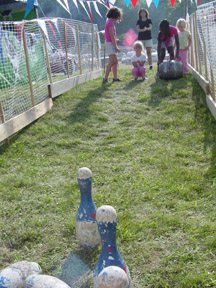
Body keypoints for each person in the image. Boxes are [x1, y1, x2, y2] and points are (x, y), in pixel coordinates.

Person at [103, 7, 123, 84]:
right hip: (110, 44)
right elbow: (111, 37)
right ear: (114, 15)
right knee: (112, 61)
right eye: (117, 17)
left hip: (111, 42)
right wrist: (116, 47)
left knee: (115, 61)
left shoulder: (109, 22)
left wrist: (116, 40)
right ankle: (105, 78)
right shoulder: (110, 23)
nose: (117, 19)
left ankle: (115, 78)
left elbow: (112, 36)